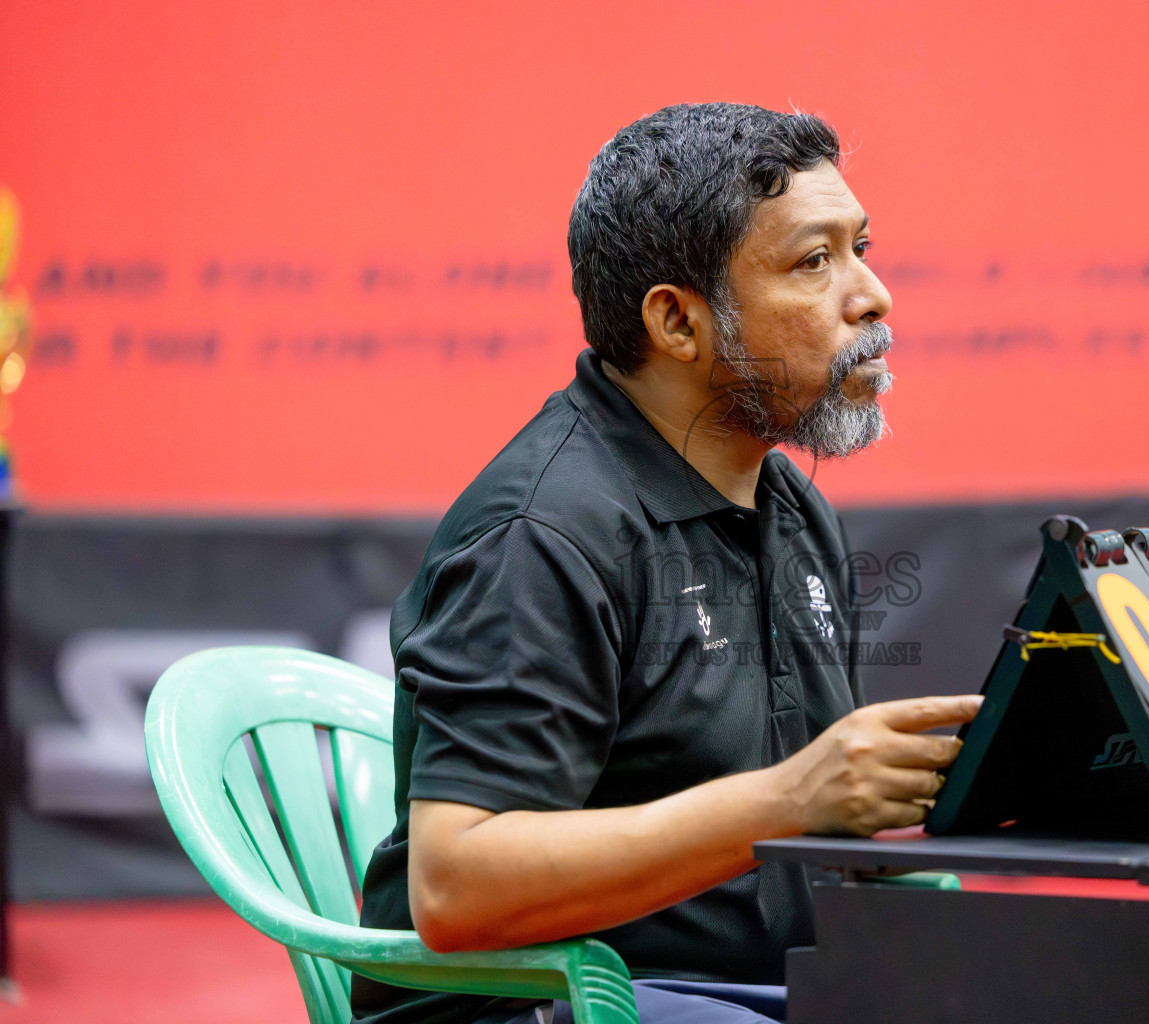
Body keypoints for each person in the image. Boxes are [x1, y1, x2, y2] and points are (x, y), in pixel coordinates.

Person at [353, 103, 980, 1024]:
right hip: (540, 1005)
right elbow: (455, 888)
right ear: (677, 323)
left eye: (861, 248)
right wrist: (789, 799)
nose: (871, 295)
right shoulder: (542, 534)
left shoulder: (792, 508)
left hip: (750, 993)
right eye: (814, 262)